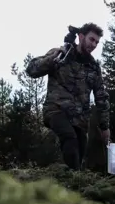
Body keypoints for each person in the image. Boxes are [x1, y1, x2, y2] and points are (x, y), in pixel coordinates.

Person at [25, 23, 110, 170]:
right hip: (56, 110)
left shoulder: (94, 67)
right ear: (81, 37)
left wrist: (105, 127)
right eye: (91, 39)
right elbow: (32, 70)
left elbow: (101, 96)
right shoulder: (61, 54)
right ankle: (73, 181)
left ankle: (70, 184)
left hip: (80, 118)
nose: (94, 44)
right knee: (69, 138)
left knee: (80, 152)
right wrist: (54, 57)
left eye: (96, 42)